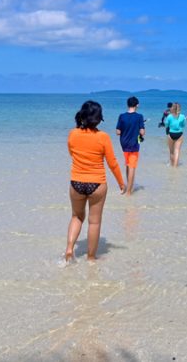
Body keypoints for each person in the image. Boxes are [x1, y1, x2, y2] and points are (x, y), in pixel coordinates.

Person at [66, 101, 126, 263]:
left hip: (76, 182)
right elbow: (112, 162)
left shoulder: (72, 134)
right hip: (97, 183)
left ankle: (70, 249)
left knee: (76, 216)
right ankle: (91, 258)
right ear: (99, 119)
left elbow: (72, 152)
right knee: (94, 221)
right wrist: (121, 182)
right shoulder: (103, 137)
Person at [115, 96, 146, 196]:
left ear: (127, 105)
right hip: (134, 144)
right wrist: (139, 129)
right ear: (137, 105)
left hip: (124, 144)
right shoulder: (139, 117)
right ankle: (128, 192)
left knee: (128, 164)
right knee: (132, 166)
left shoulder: (122, 116)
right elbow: (142, 132)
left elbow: (118, 132)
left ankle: (127, 186)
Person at [163, 102, 187, 167]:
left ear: (172, 108)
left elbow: (166, 125)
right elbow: (183, 125)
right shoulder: (182, 116)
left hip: (171, 134)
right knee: (177, 151)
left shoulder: (169, 116)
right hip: (179, 134)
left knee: (171, 151)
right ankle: (175, 166)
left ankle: (171, 164)